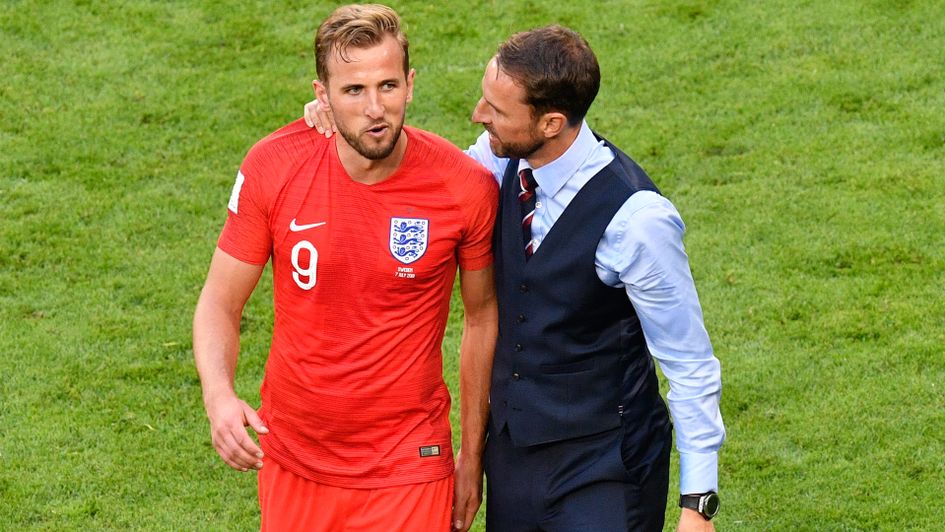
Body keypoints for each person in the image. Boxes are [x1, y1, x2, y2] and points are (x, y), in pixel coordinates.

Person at [304, 24, 724, 532]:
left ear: (550, 123)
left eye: (496, 111)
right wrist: (338, 121)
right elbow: (416, 179)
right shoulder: (495, 160)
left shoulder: (638, 221)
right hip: (513, 463)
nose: (479, 116)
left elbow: (690, 364)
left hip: (606, 467)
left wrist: (697, 504)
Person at [193, 4, 498, 532]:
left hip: (409, 462)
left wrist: (472, 457)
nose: (375, 108)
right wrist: (219, 395)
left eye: (387, 85)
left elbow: (482, 319)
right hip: (294, 457)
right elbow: (221, 302)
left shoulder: (463, 187)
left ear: (410, 84)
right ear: (323, 98)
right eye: (353, 91)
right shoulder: (273, 166)